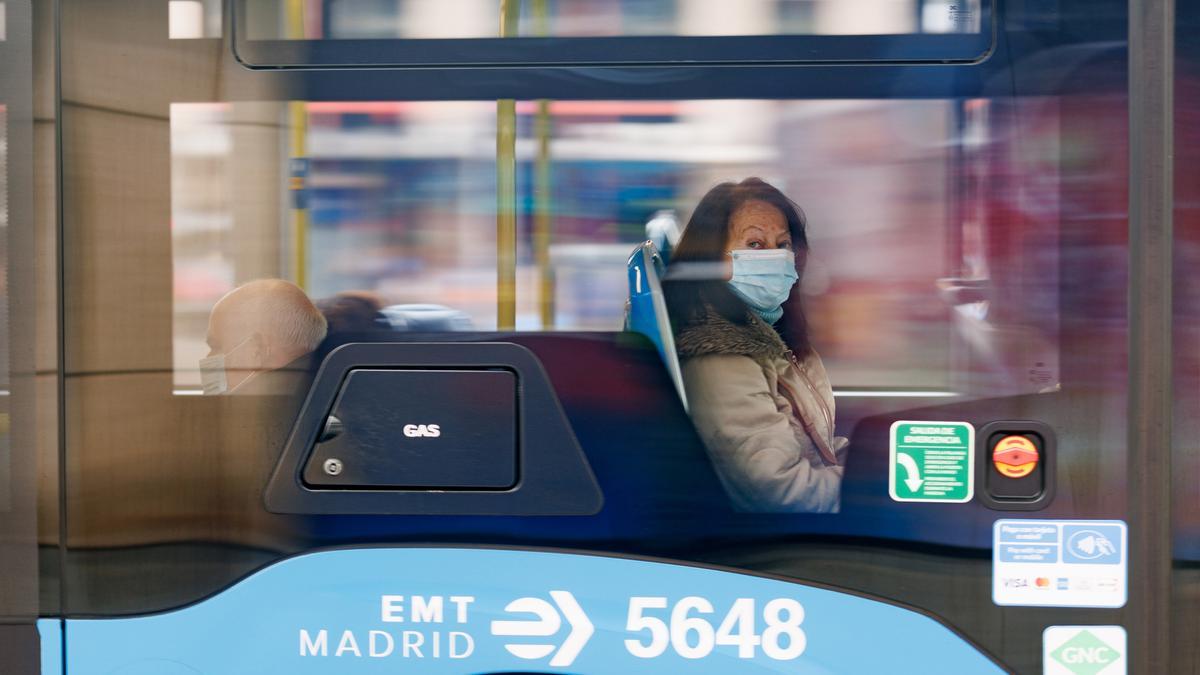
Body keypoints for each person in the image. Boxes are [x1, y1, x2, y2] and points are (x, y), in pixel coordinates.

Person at [665, 178, 847, 513]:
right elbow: (777, 489)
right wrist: (868, 493)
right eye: (755, 244)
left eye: (783, 244)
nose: (775, 257)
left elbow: (812, 442)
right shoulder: (718, 356)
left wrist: (874, 464)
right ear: (712, 259)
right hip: (777, 545)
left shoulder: (772, 333)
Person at [200, 279, 328, 396]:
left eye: (216, 346)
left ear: (258, 349)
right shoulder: (320, 398)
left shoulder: (253, 416)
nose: (208, 357)